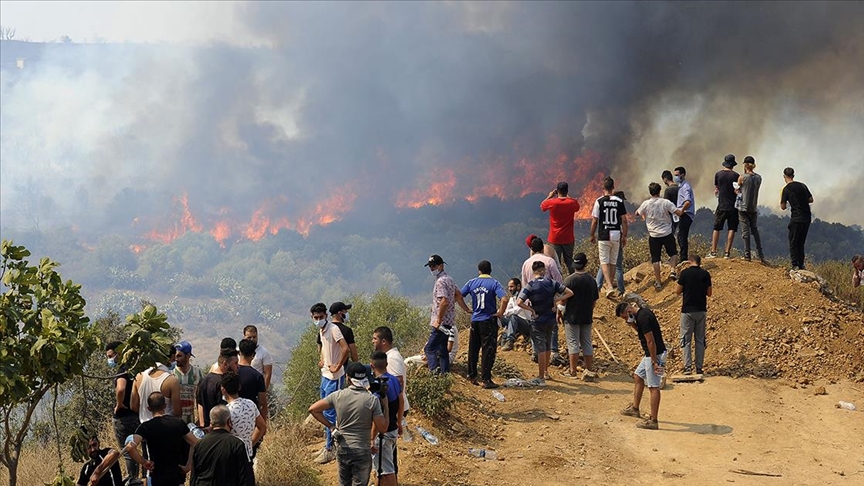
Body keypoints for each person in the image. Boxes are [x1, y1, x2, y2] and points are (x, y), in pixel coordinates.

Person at [308, 362, 388, 486]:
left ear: (348, 378)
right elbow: (383, 428)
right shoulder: (372, 400)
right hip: (362, 449)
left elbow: (313, 409)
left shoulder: (337, 396)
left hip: (343, 447)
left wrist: (331, 427)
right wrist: (385, 406)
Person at [517, 261, 573, 385]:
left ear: (533, 271)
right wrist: (556, 300)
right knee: (548, 346)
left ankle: (541, 377)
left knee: (540, 349)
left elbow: (519, 302)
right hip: (551, 319)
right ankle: (546, 372)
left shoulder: (530, 285)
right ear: (543, 270)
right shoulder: (551, 283)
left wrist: (531, 309)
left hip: (537, 320)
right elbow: (569, 292)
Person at [125, 392, 199, 486]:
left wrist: (144, 462)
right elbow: (195, 443)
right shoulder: (178, 423)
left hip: (156, 475)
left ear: (149, 408)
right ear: (165, 405)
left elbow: (130, 447)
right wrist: (188, 466)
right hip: (176, 474)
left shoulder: (146, 427)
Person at [616, 302, 667, 430]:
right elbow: (642, 333)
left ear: (628, 312)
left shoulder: (643, 318)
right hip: (650, 354)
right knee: (638, 376)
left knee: (653, 387)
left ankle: (653, 420)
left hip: (654, 355)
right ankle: (635, 408)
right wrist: (632, 324)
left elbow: (651, 341)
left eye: (624, 317)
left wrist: (655, 362)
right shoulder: (641, 315)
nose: (625, 320)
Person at [311, 301, 349, 465]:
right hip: (325, 375)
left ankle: (330, 447)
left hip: (335, 377)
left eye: (320, 317)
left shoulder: (334, 329)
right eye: (315, 317)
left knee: (330, 413)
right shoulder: (321, 331)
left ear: (326, 315)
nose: (318, 319)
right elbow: (324, 349)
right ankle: (328, 444)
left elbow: (345, 349)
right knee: (325, 411)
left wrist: (338, 366)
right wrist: (322, 360)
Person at [458, 260, 507, 388]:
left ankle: (472, 376)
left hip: (475, 320)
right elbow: (504, 299)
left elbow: (458, 296)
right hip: (488, 320)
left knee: (473, 348)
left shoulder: (471, 282)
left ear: (479, 270)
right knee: (488, 349)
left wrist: (466, 309)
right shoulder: (494, 283)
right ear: (490, 270)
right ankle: (486, 379)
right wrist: (500, 313)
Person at [521, 236, 565, 364]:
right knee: (552, 327)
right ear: (542, 248)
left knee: (535, 327)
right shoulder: (549, 261)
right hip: (548, 300)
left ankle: (536, 353)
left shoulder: (526, 263)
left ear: (532, 249)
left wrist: (527, 302)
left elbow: (524, 285)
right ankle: (553, 353)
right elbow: (558, 280)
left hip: (533, 301)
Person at [105, 341, 142, 486]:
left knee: (127, 451)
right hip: (137, 415)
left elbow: (120, 388)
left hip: (124, 417)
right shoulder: (135, 369)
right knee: (139, 448)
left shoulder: (122, 370)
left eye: (110, 356)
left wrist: (119, 404)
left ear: (118, 353)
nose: (109, 359)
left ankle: (133, 479)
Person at [190, 405, 254, 486]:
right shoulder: (237, 444)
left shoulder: (199, 444)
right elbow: (246, 478)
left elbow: (194, 476)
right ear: (229, 422)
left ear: (211, 423)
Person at [635, 182, 681, 290]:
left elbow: (637, 213)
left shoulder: (646, 203)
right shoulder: (665, 202)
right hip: (666, 233)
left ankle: (658, 282)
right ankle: (673, 271)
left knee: (656, 259)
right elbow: (677, 212)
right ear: (659, 191)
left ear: (650, 192)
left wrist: (641, 213)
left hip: (654, 236)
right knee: (673, 253)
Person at [423, 254, 464, 374]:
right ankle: (445, 374)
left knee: (429, 348)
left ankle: (435, 373)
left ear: (441, 266)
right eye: (430, 266)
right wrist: (466, 309)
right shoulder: (449, 279)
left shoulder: (440, 281)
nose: (431, 269)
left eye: (434, 266)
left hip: (441, 322)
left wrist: (438, 319)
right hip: (449, 322)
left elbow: (444, 301)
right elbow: (458, 295)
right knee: (442, 350)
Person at [562, 253, 599, 380]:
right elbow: (594, 301)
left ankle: (572, 371)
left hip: (572, 317)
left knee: (573, 343)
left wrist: (559, 312)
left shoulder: (569, 280)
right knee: (586, 343)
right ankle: (588, 370)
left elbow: (563, 300)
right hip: (587, 316)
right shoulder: (591, 280)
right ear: (586, 264)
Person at [221, 370, 266, 475]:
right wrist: (250, 443)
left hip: (230, 458)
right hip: (247, 455)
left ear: (223, 389)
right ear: (239, 387)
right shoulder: (250, 404)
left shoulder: (225, 411)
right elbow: (262, 426)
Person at [590, 176, 628, 299]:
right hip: (616, 234)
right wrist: (625, 236)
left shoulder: (599, 201)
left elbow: (595, 221)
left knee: (604, 261)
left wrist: (592, 234)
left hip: (604, 234)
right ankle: (609, 286)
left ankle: (609, 286)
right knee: (613, 262)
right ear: (613, 187)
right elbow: (624, 221)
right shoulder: (619, 201)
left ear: (603, 188)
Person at [370, 351, 404, 486]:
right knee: (382, 469)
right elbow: (401, 401)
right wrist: (399, 422)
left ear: (371, 366)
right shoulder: (394, 380)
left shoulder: (378, 386)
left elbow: (377, 416)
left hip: (382, 434)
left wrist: (372, 437)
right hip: (393, 429)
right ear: (387, 364)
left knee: (387, 472)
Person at [675, 254, 712, 375]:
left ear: (690, 261)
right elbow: (709, 293)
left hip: (687, 310)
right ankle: (699, 368)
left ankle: (687, 367)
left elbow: (677, 291)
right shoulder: (705, 274)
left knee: (686, 339)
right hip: (701, 310)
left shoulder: (685, 273)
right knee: (700, 340)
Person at [540, 181, 582, 274]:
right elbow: (577, 206)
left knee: (555, 263)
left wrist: (550, 196)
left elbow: (542, 206)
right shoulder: (571, 202)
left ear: (557, 191)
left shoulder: (552, 202)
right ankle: (573, 281)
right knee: (569, 262)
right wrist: (567, 196)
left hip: (554, 238)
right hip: (568, 238)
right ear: (567, 191)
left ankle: (558, 284)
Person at [372, 326, 411, 424]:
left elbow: (398, 384)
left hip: (393, 408)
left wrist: (396, 413)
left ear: (383, 341)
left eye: (375, 338)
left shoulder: (392, 358)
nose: (373, 341)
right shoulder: (389, 356)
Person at [131, 351, 181, 423]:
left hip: (145, 428)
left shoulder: (139, 377)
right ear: (170, 358)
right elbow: (177, 412)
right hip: (167, 426)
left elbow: (134, 407)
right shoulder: (172, 381)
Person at [780, 167, 814, 270]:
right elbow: (811, 199)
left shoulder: (786, 189)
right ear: (793, 175)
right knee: (801, 242)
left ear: (784, 176)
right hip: (807, 217)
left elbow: (783, 206)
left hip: (796, 218)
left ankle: (795, 265)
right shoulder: (803, 186)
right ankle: (801, 264)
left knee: (793, 242)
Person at [197, 348, 239, 429]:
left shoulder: (204, 380)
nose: (238, 366)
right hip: (218, 430)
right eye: (235, 363)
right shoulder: (223, 383)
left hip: (206, 429)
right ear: (225, 364)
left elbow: (200, 404)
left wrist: (202, 425)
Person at [708, 154, 741, 259]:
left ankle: (713, 252)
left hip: (721, 205)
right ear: (733, 164)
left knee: (716, 228)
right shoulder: (736, 176)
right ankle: (727, 253)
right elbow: (738, 190)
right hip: (733, 207)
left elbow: (716, 189)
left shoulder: (718, 175)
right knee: (731, 228)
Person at [736, 156, 765, 263]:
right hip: (753, 207)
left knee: (745, 232)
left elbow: (738, 189)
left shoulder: (742, 177)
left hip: (743, 207)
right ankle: (761, 255)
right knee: (755, 231)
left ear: (745, 165)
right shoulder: (759, 178)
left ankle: (747, 255)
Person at [172, 341, 204, 426]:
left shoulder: (198, 373)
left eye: (179, 356)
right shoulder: (171, 373)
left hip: (192, 422)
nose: (176, 359)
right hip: (175, 422)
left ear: (188, 356)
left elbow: (201, 399)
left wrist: (200, 421)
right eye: (175, 356)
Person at [318, 302, 358, 369]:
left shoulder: (324, 329)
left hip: (327, 367)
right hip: (341, 367)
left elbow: (320, 348)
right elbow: (353, 352)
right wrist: (356, 367)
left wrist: (322, 360)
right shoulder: (347, 330)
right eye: (345, 311)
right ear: (340, 313)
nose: (347, 313)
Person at [499, 278, 534, 353]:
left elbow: (517, 310)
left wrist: (508, 312)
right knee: (500, 316)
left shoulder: (525, 297)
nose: (509, 289)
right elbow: (505, 312)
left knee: (513, 317)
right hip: (515, 322)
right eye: (508, 287)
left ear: (518, 286)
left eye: (511, 287)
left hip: (527, 323)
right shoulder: (513, 298)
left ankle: (510, 340)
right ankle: (502, 337)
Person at [237, 338, 268, 418]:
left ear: (239, 353)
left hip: (232, 416)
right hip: (250, 417)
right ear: (253, 355)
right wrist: (263, 423)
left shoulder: (231, 373)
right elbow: (262, 403)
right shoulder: (257, 376)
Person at [674, 166, 695, 263]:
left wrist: (681, 211)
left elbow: (687, 201)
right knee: (681, 236)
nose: (676, 177)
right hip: (685, 214)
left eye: (677, 175)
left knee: (682, 236)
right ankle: (682, 257)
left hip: (686, 214)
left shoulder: (685, 187)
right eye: (675, 175)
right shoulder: (681, 186)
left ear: (683, 175)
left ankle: (683, 258)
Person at [242, 325, 274, 390]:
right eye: (249, 337)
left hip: (256, 388)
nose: (252, 339)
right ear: (244, 337)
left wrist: (263, 391)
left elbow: (268, 373)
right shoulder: (238, 351)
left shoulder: (264, 353)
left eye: (254, 337)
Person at [661, 170, 680, 236]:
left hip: (671, 216)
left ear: (665, 179)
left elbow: (665, 205)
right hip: (680, 214)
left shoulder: (668, 190)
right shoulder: (679, 188)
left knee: (670, 235)